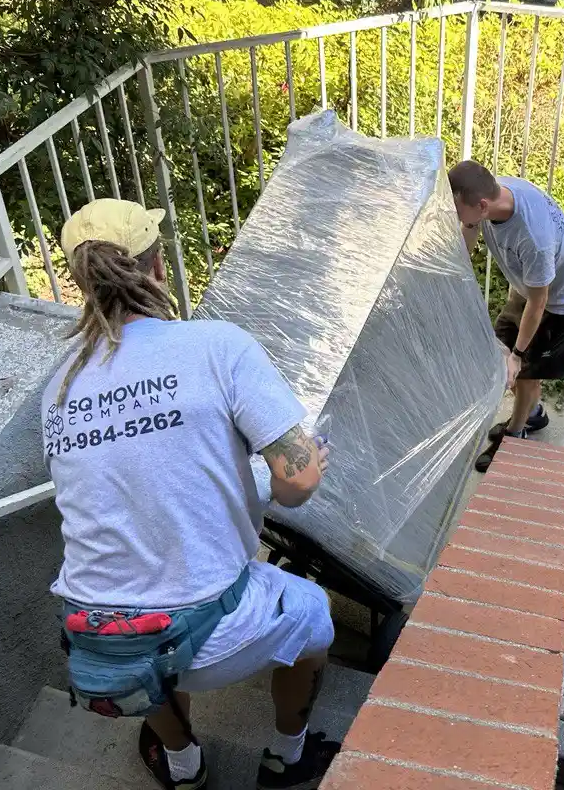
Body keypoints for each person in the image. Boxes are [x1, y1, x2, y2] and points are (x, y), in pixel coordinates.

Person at [42, 198, 340, 790]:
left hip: (97, 636)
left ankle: (183, 766)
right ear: (157, 269)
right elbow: (299, 480)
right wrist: (285, 477)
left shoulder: (59, 386)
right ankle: (287, 757)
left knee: (143, 629)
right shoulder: (215, 347)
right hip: (213, 635)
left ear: (83, 285)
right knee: (315, 618)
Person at [448, 161, 564, 468]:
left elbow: (540, 302)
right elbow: (468, 232)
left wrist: (518, 353)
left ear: (482, 205)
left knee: (525, 372)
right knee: (500, 356)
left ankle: (514, 435)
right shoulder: (493, 194)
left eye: (458, 209)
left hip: (561, 302)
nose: (456, 215)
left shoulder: (533, 238)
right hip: (528, 289)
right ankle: (533, 413)